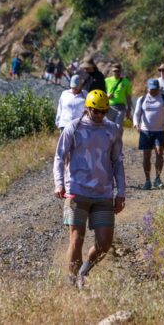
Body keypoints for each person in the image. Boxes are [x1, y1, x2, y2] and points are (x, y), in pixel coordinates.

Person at [53, 89, 125, 289]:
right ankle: (72, 282)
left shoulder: (112, 130)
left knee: (104, 243)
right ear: (87, 109)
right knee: (77, 238)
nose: (100, 116)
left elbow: (118, 161)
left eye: (104, 111)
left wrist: (121, 193)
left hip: (103, 193)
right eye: (96, 112)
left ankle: (83, 272)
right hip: (77, 191)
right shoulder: (73, 128)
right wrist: (59, 183)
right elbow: (59, 157)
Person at [133, 79, 164, 190]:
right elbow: (136, 114)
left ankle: (158, 179)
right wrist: (136, 124)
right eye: (151, 89)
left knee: (159, 153)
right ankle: (147, 181)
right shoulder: (142, 100)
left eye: (155, 89)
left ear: (158, 89)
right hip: (145, 131)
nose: (153, 91)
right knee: (146, 156)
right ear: (147, 88)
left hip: (160, 131)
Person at [105, 63, 133, 133]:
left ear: (121, 71)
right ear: (112, 71)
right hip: (109, 108)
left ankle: (117, 143)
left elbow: (128, 97)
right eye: (114, 71)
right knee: (109, 128)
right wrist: (107, 96)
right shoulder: (106, 81)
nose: (116, 73)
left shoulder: (126, 82)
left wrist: (129, 109)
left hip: (121, 108)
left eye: (118, 71)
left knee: (118, 128)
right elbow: (101, 94)